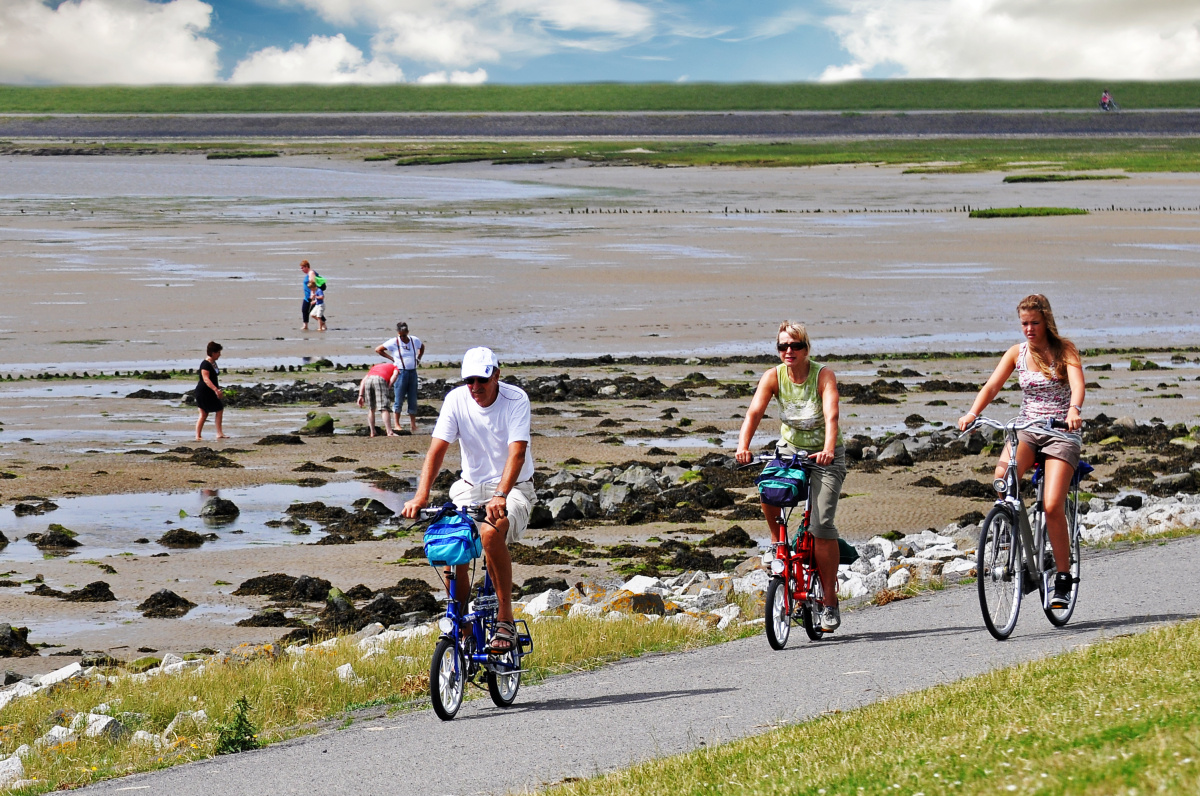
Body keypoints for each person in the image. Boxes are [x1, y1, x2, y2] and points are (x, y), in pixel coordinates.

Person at [401, 347, 534, 654]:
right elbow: (437, 451)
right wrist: (420, 497)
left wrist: (500, 495)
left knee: (489, 533)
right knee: (451, 542)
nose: (474, 387)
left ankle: (505, 618)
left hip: (514, 487)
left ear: (496, 375)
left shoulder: (516, 400)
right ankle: (459, 623)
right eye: (469, 380)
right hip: (469, 487)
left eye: (481, 380)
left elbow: (517, 453)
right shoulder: (456, 399)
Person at [957, 294, 1085, 608]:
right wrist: (972, 413)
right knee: (1003, 474)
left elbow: (1079, 384)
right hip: (1027, 428)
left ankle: (1063, 579)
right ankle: (1010, 526)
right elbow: (991, 387)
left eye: (1034, 323)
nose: (1029, 329)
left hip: (1060, 432)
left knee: (1053, 505)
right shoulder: (1017, 353)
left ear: (1046, 321)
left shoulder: (1064, 349)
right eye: (1024, 323)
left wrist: (1074, 410)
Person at [735, 321, 847, 632]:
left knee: (821, 524)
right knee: (767, 488)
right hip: (790, 450)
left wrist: (827, 449)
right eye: (783, 346)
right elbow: (754, 412)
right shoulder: (773, 376)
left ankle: (829, 601)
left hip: (826, 456)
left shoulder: (822, 375)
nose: (788, 351)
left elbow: (832, 415)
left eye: (795, 346)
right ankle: (776, 544)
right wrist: (743, 446)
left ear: (806, 348)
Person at [374, 322, 425, 433]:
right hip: (400, 372)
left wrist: (418, 358)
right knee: (399, 397)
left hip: (412, 372)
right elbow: (378, 349)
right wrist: (392, 359)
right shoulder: (394, 342)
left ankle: (413, 424)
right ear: (398, 333)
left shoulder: (414, 340)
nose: (402, 337)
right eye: (400, 335)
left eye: (404, 335)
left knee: (413, 398)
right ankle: (397, 424)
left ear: (407, 332)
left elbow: (422, 346)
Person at [195, 341, 227, 440]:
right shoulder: (205, 364)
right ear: (213, 353)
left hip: (210, 391)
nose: (220, 355)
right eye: (218, 352)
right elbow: (206, 379)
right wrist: (216, 390)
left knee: (219, 409)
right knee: (204, 413)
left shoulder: (213, 363)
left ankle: (219, 433)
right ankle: (198, 435)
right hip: (203, 391)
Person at [357, 361, 400, 437]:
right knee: (384, 408)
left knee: (371, 408)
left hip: (369, 380)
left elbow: (363, 380)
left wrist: (360, 395)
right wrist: (389, 386)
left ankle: (372, 432)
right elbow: (395, 374)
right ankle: (389, 432)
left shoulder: (374, 367)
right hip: (380, 379)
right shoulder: (394, 366)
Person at [299, 260, 320, 331]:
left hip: (312, 296)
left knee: (314, 311)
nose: (301, 269)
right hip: (307, 296)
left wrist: (312, 293)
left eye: (302, 268)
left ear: (306, 267)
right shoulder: (308, 274)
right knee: (304, 310)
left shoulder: (311, 273)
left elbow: (313, 283)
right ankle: (305, 325)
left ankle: (323, 324)